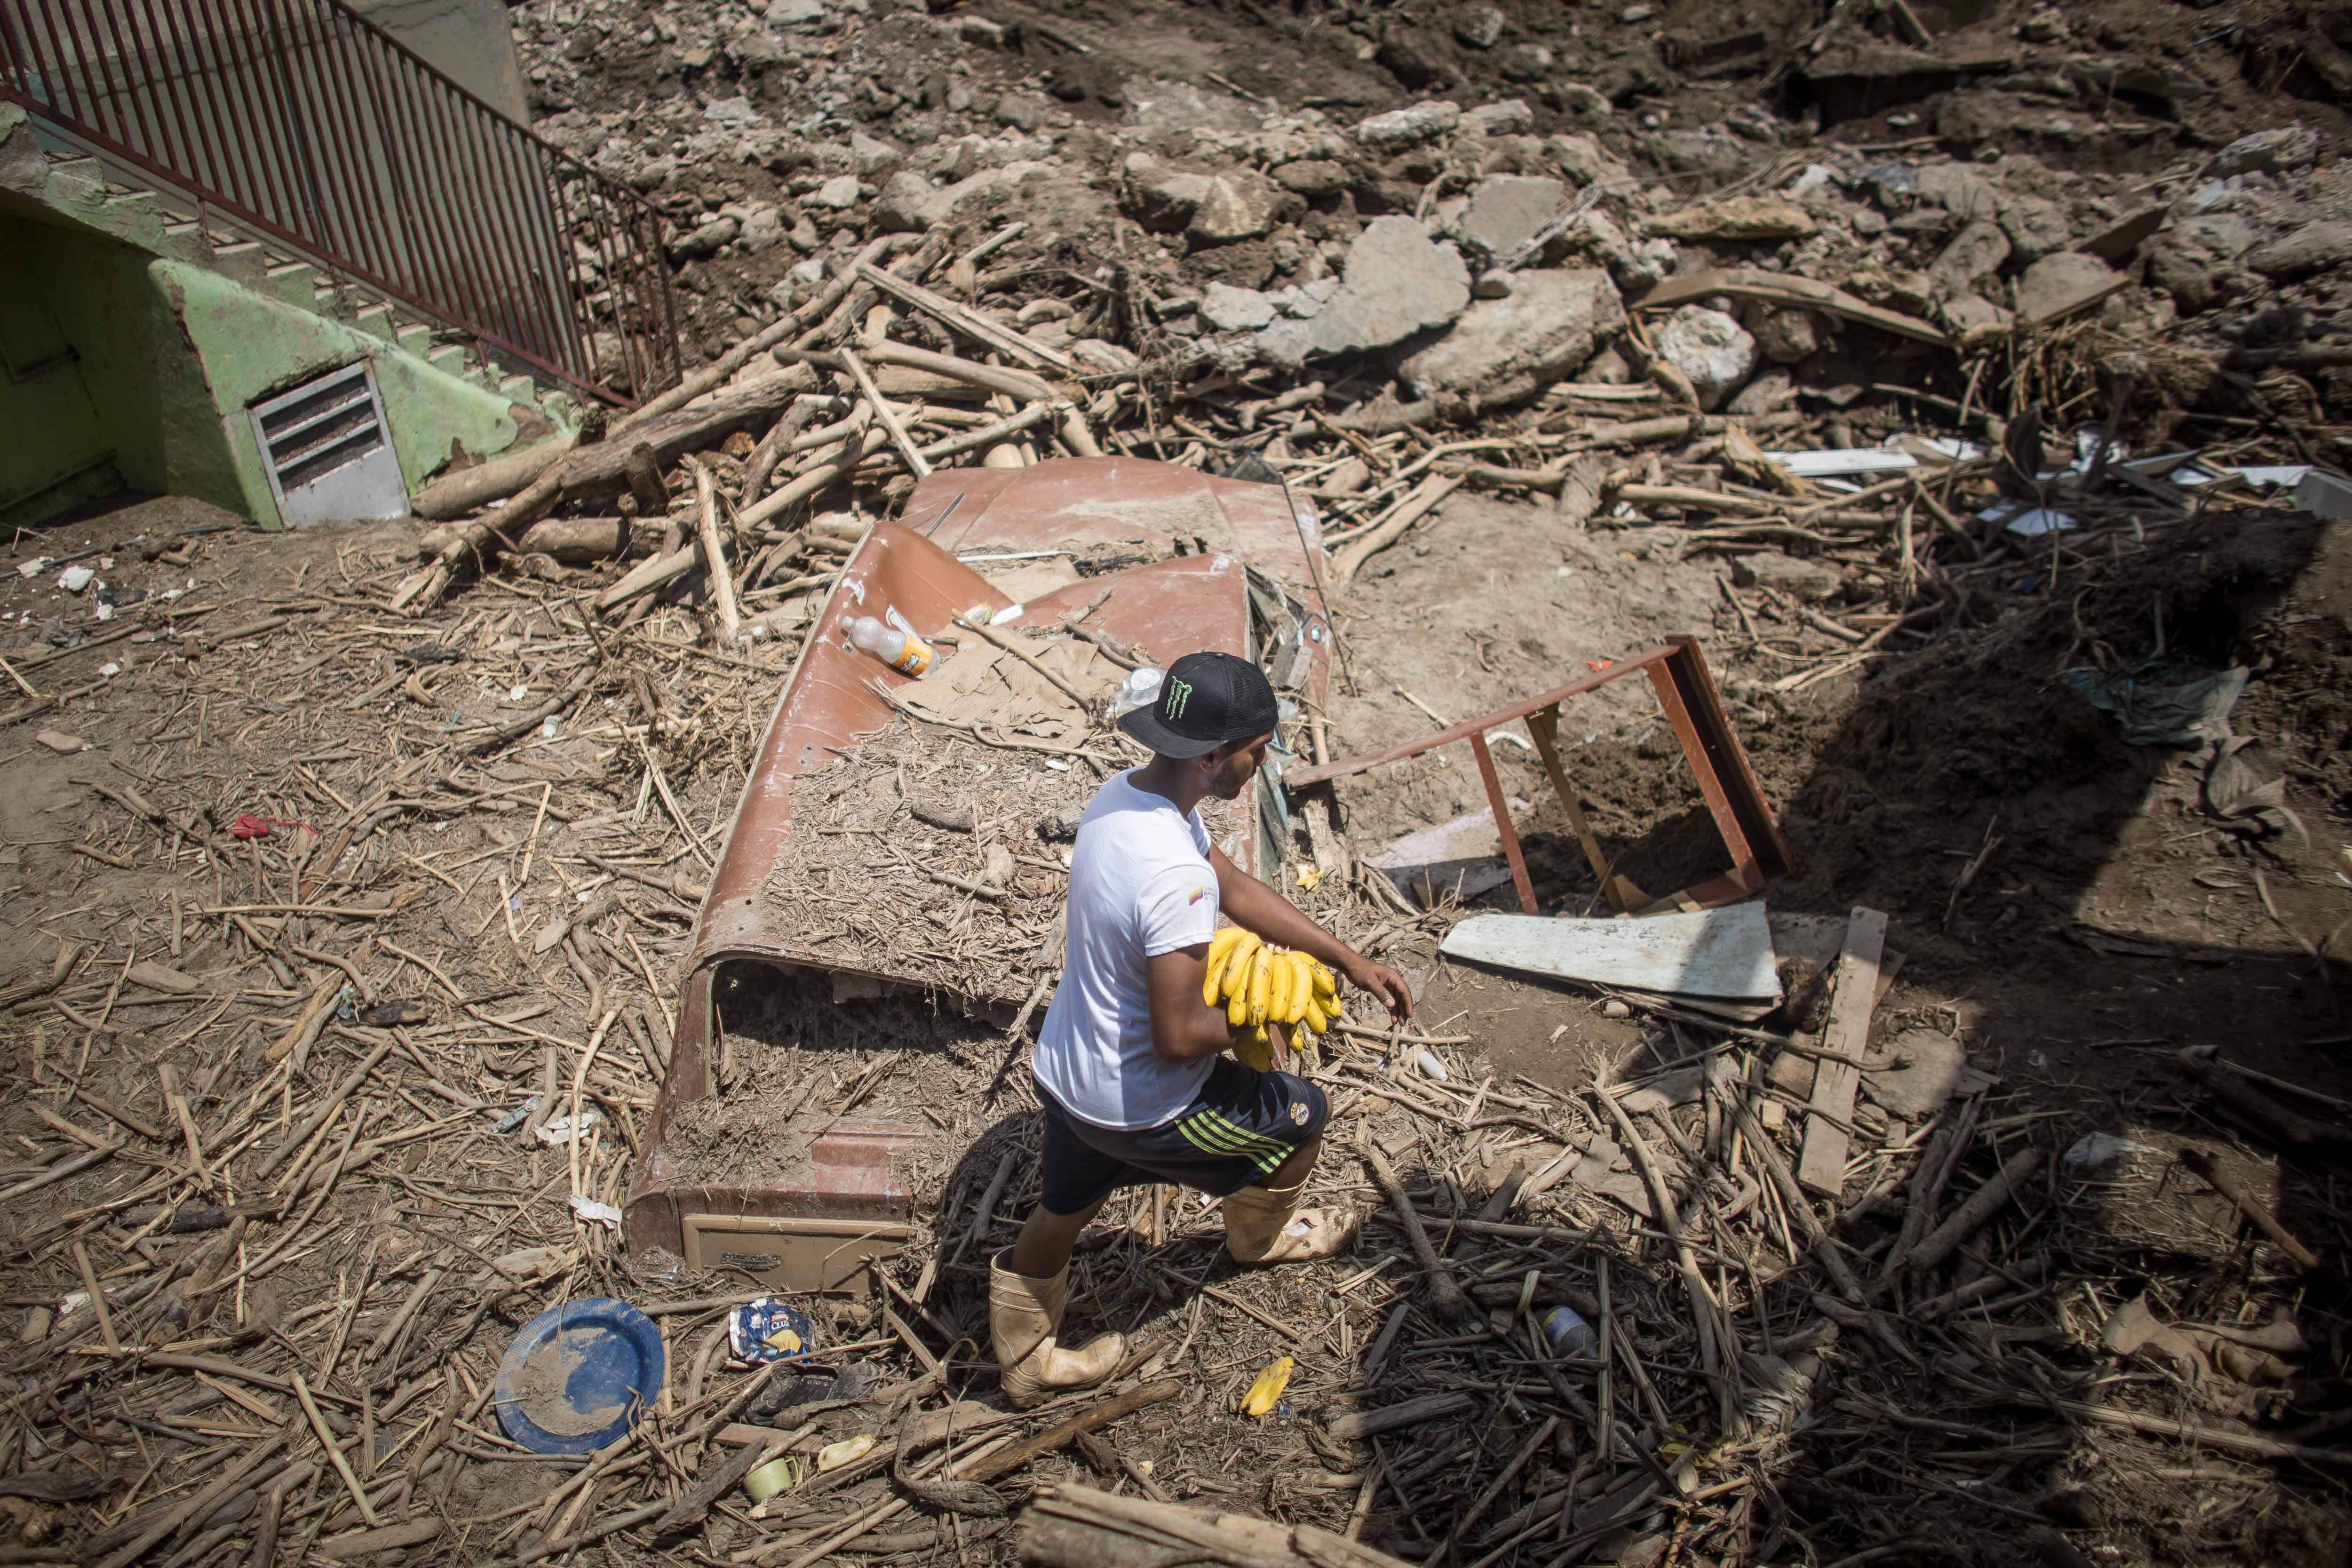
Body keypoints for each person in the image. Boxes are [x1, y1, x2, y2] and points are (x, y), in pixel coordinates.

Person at [987, 650, 1413, 1407]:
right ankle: (1258, 1240)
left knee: (1062, 1211)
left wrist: (1344, 958)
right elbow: (1179, 1035)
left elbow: (1235, 884)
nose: (1260, 764)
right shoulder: (1171, 876)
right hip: (1142, 1106)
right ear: (1215, 753)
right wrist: (1262, 1013)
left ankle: (1024, 1364)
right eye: (1256, 751)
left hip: (1068, 1073)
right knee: (1306, 1114)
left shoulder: (1124, 798)